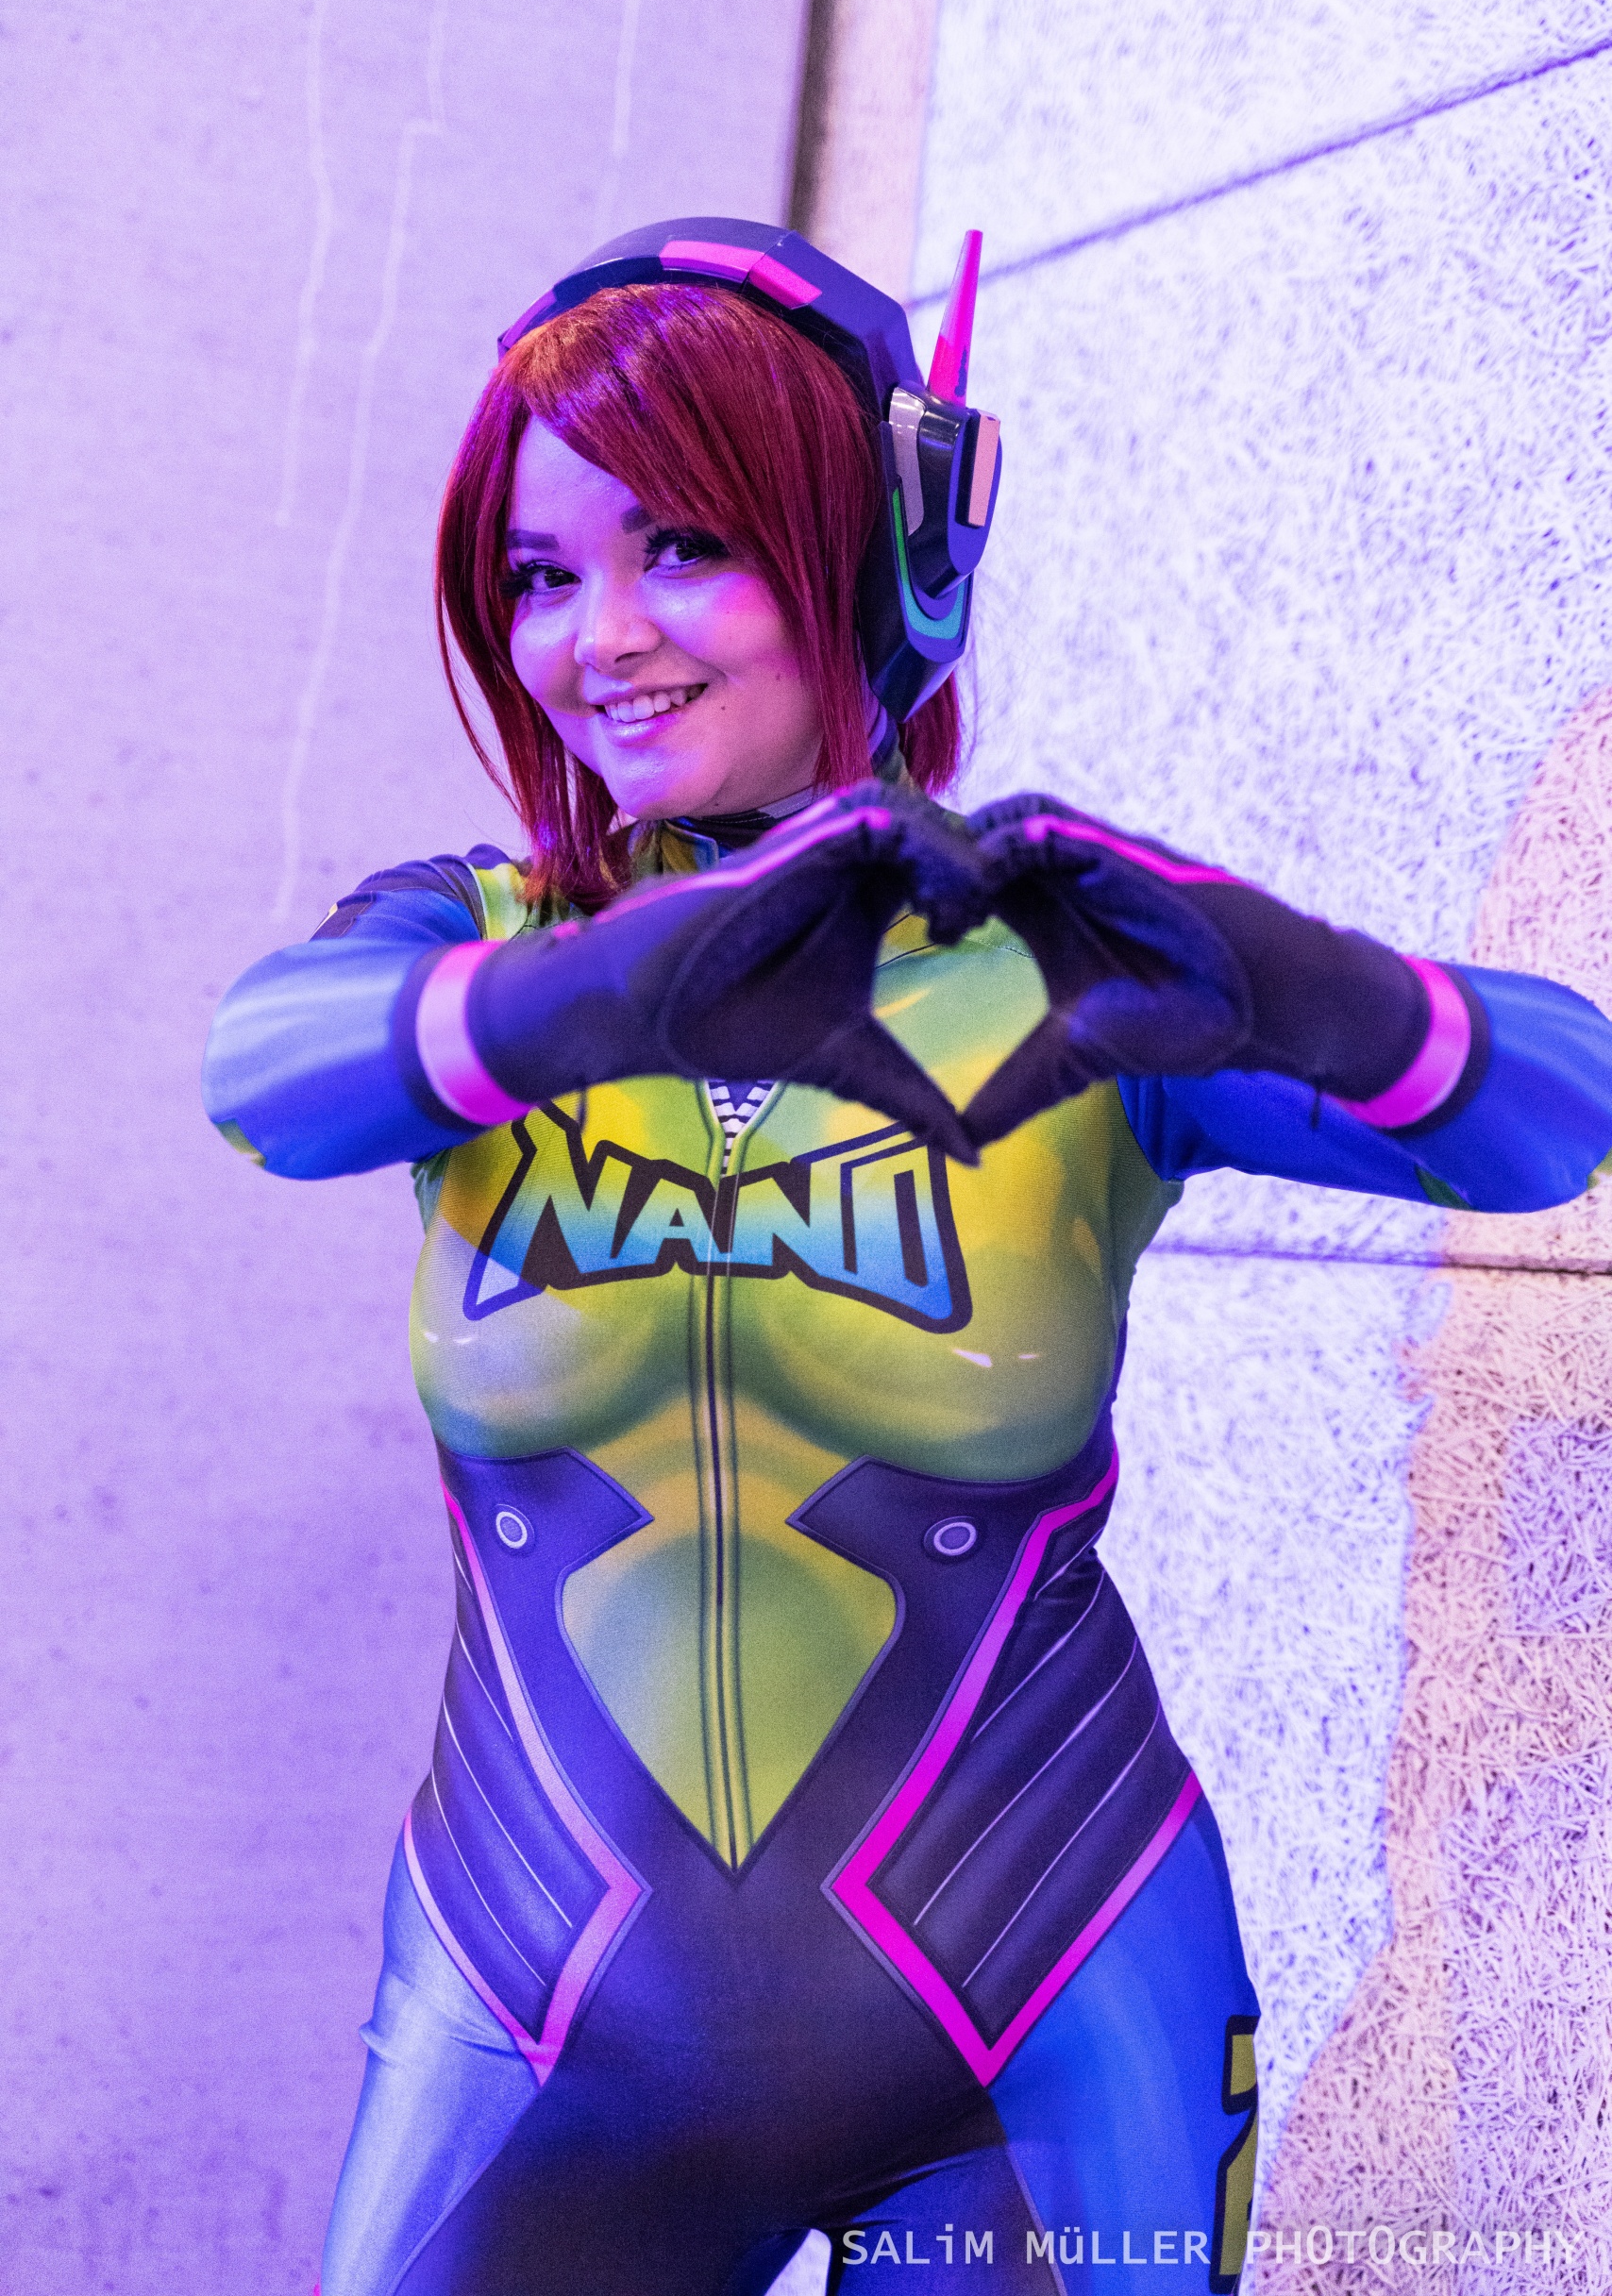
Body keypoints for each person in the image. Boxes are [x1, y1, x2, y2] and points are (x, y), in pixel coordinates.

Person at [203, 221, 1612, 2296]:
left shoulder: (1064, 974)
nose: (598, 639)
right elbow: (262, 1073)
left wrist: (1289, 981)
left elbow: (1555, 1110)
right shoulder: (469, 946)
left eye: (686, 545)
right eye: (537, 574)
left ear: (890, 548)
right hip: (534, 2005)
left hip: (1048, 2004)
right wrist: (604, 990)